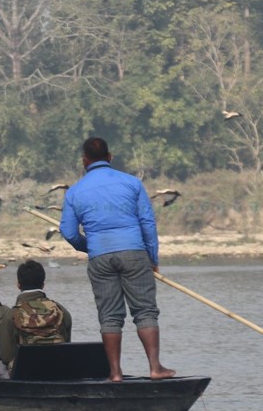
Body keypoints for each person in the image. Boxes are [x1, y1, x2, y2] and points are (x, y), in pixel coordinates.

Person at [60, 136, 176, 381]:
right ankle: (155, 368)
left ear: (84, 161)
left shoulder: (75, 192)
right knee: (145, 311)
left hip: (100, 256)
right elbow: (147, 222)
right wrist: (152, 257)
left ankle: (115, 373)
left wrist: (90, 246)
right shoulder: (132, 183)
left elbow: (69, 233)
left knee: (110, 316)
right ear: (109, 157)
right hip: (134, 252)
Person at [0, 259, 73, 379]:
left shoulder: (12, 315)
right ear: (43, 285)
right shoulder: (61, 311)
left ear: (18, 285)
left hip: (25, 373)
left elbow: (6, 355)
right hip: (57, 369)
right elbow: (67, 343)